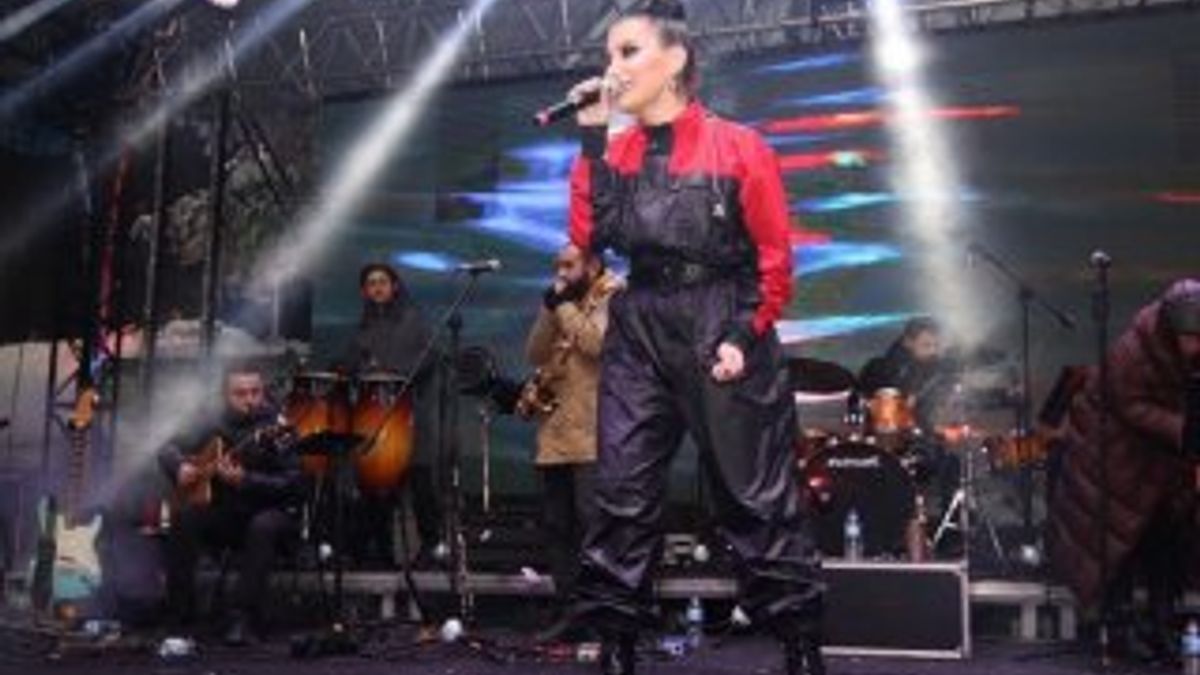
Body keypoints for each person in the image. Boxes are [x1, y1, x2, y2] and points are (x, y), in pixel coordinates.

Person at [565, 1, 823, 673]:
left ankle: (801, 645)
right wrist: (592, 142)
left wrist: (743, 333)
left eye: (628, 52)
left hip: (720, 314)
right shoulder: (615, 150)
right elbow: (591, 239)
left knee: (754, 494)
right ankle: (615, 646)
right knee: (621, 491)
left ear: (675, 58)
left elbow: (774, 262)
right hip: (640, 318)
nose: (612, 68)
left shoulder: (739, 147)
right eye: (609, 55)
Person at [1047, 278, 1200, 665]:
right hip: (1114, 458)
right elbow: (1130, 405)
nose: (1195, 346)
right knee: (1119, 551)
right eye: (1189, 338)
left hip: (1162, 464)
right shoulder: (1131, 351)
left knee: (1165, 547)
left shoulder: (1182, 352)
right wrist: (1182, 428)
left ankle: (1161, 625)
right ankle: (1120, 629)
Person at [158, 361, 300, 645]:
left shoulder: (279, 428)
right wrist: (179, 467)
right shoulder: (212, 420)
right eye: (240, 393)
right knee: (186, 516)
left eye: (255, 392)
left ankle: (242, 617)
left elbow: (293, 484)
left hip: (272, 515)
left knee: (262, 526)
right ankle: (179, 614)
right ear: (225, 395)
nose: (250, 399)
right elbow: (168, 447)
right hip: (229, 514)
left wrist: (246, 481)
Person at [523, 243, 621, 639]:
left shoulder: (613, 294)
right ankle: (569, 610)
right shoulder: (562, 301)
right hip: (555, 432)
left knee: (591, 525)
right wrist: (550, 309)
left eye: (569, 265)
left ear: (593, 265)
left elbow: (597, 344)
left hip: (594, 432)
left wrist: (563, 306)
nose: (560, 273)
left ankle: (601, 613)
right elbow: (534, 353)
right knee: (557, 526)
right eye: (557, 265)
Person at [346, 262, 443, 567]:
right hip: (376, 418)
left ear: (395, 286)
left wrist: (393, 374)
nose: (377, 288)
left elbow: (431, 357)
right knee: (376, 485)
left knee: (420, 480)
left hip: (410, 413)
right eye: (371, 283)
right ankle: (380, 551)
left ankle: (432, 547)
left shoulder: (414, 319)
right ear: (364, 291)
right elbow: (353, 366)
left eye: (382, 282)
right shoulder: (363, 328)